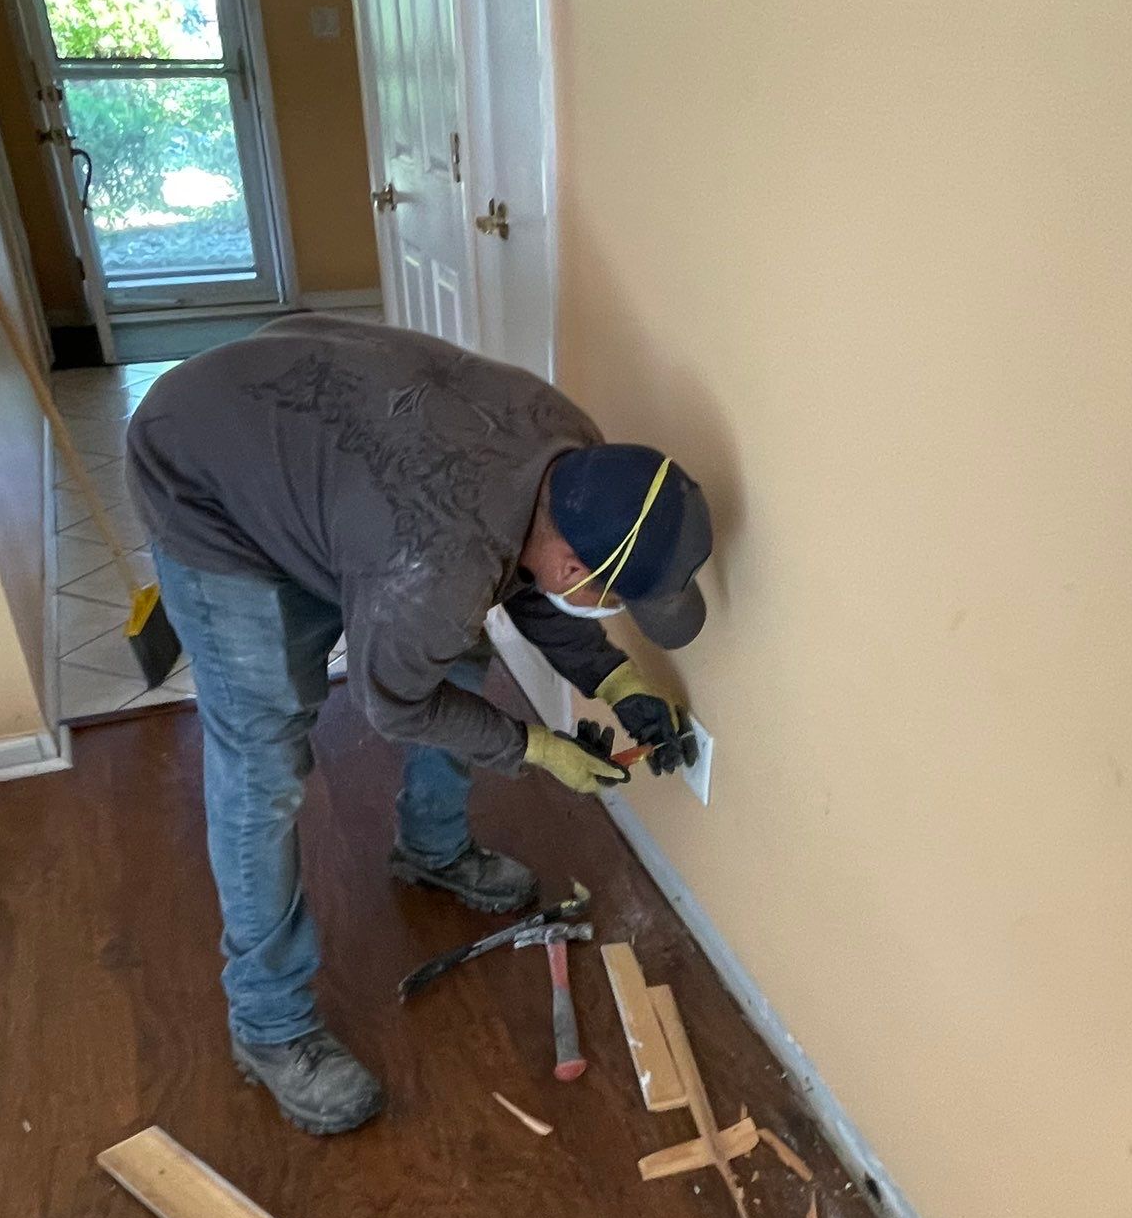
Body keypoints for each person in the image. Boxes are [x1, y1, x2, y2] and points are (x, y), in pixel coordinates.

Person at [124, 313, 711, 1135]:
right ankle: (269, 1025)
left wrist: (613, 676)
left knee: (446, 643)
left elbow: (521, 576)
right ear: (580, 564)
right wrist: (532, 746)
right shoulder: (434, 564)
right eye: (619, 598)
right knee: (264, 760)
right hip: (209, 480)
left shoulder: (571, 454)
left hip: (329, 468)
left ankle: (432, 850)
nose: (616, 610)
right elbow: (390, 701)